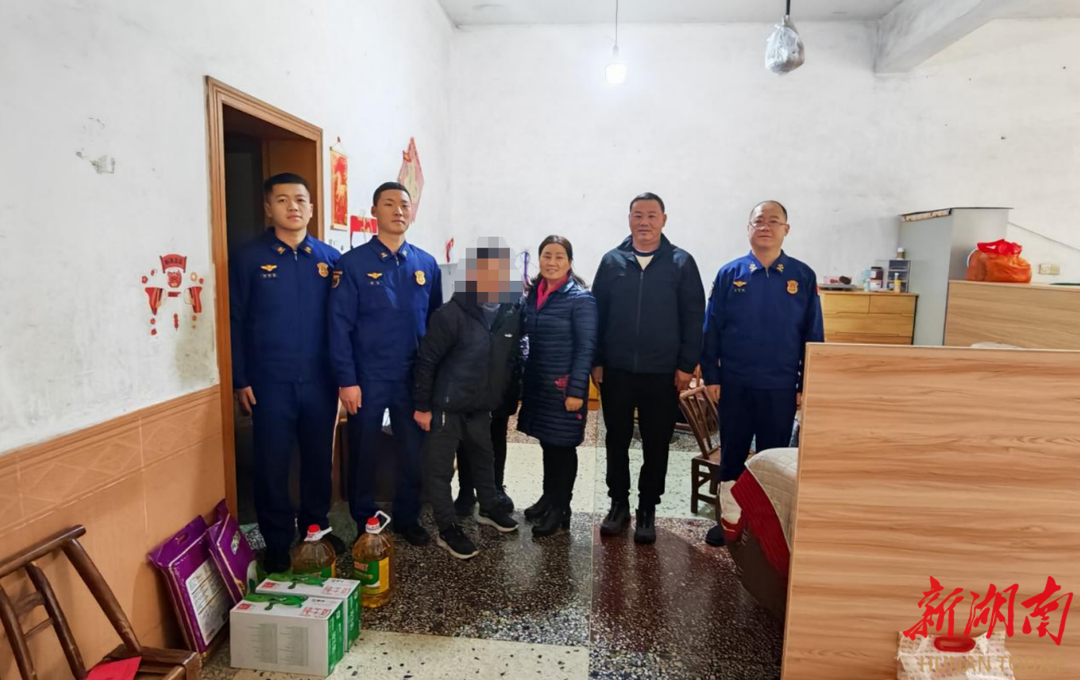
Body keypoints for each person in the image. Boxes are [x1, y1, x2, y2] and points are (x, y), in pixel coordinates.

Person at [229, 172, 341, 573]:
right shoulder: (247, 258)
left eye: (300, 200)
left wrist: (344, 377)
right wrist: (240, 378)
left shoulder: (329, 260)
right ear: (268, 208)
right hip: (269, 382)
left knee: (318, 460)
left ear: (311, 208)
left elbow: (342, 322)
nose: (292, 206)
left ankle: (315, 529)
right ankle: (276, 540)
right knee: (272, 463)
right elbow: (235, 320)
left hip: (320, 381)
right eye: (282, 200)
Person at [699, 200, 823, 546]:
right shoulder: (730, 274)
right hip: (735, 384)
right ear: (749, 228)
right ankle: (728, 522)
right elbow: (712, 330)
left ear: (786, 229)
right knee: (732, 455)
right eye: (758, 221)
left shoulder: (802, 276)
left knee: (772, 460)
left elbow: (813, 334)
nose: (765, 227)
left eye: (773, 221)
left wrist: (806, 384)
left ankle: (763, 531)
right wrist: (712, 376)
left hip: (780, 387)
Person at [328, 182, 442, 547]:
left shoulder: (426, 264)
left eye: (404, 204)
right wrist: (347, 380)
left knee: (413, 452)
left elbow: (436, 325)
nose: (398, 210)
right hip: (367, 377)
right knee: (364, 451)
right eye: (389, 204)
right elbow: (339, 325)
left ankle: (408, 516)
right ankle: (365, 519)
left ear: (412, 212)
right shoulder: (352, 264)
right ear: (375, 211)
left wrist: (432, 381)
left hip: (413, 378)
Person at [592, 192, 705, 544]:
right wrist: (597, 360)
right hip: (617, 370)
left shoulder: (681, 262)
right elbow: (597, 314)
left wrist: (686, 365)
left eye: (651, 215)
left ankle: (647, 508)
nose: (644, 222)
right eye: (638, 215)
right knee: (616, 438)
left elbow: (693, 317)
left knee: (657, 442)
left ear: (663, 220)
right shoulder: (612, 261)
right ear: (629, 219)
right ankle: (618, 504)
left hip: (663, 373)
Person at [413, 238, 522, 559]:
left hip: (481, 405)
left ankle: (488, 507)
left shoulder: (508, 312)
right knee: (440, 469)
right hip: (446, 406)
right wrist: (422, 406)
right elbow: (426, 361)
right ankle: (447, 527)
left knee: (484, 459)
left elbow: (510, 359)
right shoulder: (451, 314)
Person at [517, 236, 598, 537]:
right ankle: (548, 497)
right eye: (547, 256)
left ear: (569, 262)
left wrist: (576, 390)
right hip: (540, 384)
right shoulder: (533, 294)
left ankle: (561, 509)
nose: (552, 262)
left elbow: (586, 347)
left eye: (559, 256)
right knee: (548, 443)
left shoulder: (580, 298)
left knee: (563, 448)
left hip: (564, 386)